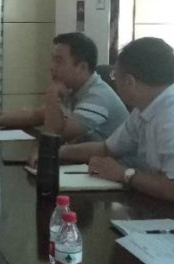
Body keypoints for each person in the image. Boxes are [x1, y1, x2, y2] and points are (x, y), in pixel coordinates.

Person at [59, 37, 174, 201]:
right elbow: (106, 149)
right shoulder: (144, 108)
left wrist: (125, 174)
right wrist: (55, 153)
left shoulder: (169, 117)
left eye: (114, 75)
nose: (114, 82)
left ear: (129, 81)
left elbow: (171, 188)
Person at [0, 32, 128, 143]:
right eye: (53, 59)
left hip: (114, 172)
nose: (52, 67)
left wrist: (52, 95)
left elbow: (55, 136)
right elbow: (35, 115)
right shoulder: (73, 88)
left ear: (81, 67)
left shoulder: (98, 97)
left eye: (59, 61)